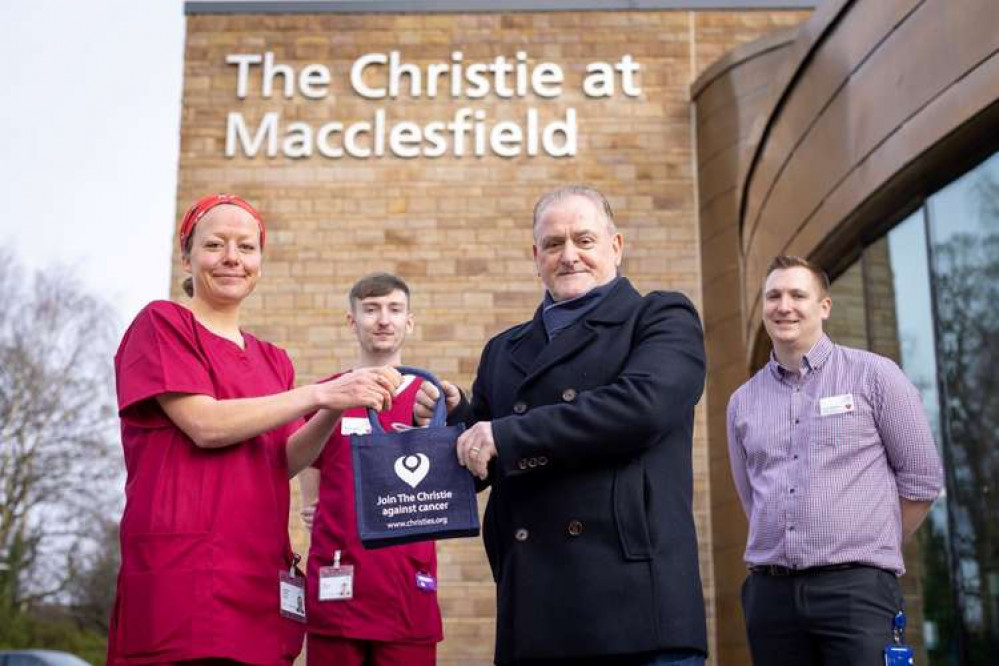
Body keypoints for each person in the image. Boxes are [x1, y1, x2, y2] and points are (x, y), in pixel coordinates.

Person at [418, 185, 708, 665]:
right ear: (536, 257)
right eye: (554, 244)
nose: (569, 255)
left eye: (584, 240)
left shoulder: (659, 316)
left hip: (637, 613)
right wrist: (454, 419)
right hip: (535, 616)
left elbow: (643, 407)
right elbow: (483, 465)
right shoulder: (504, 350)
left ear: (615, 246)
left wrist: (504, 435)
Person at [108, 194, 401, 665]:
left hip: (258, 575)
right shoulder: (162, 325)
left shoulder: (273, 359)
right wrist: (319, 395)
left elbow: (280, 461)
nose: (231, 259)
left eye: (246, 247)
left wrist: (334, 408)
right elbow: (204, 424)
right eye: (215, 245)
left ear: (260, 261)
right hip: (185, 577)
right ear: (187, 256)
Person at [726, 255, 944, 665]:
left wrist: (867, 539)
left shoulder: (875, 376)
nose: (784, 305)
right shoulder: (742, 402)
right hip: (771, 600)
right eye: (773, 296)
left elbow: (921, 481)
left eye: (797, 294)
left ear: (824, 306)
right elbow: (751, 499)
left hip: (857, 593)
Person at [298, 273, 447, 666]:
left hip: (405, 591)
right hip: (339, 590)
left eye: (394, 309)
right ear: (352, 321)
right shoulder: (327, 394)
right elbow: (308, 465)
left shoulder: (430, 398)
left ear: (409, 322)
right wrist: (314, 506)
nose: (383, 319)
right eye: (371, 309)